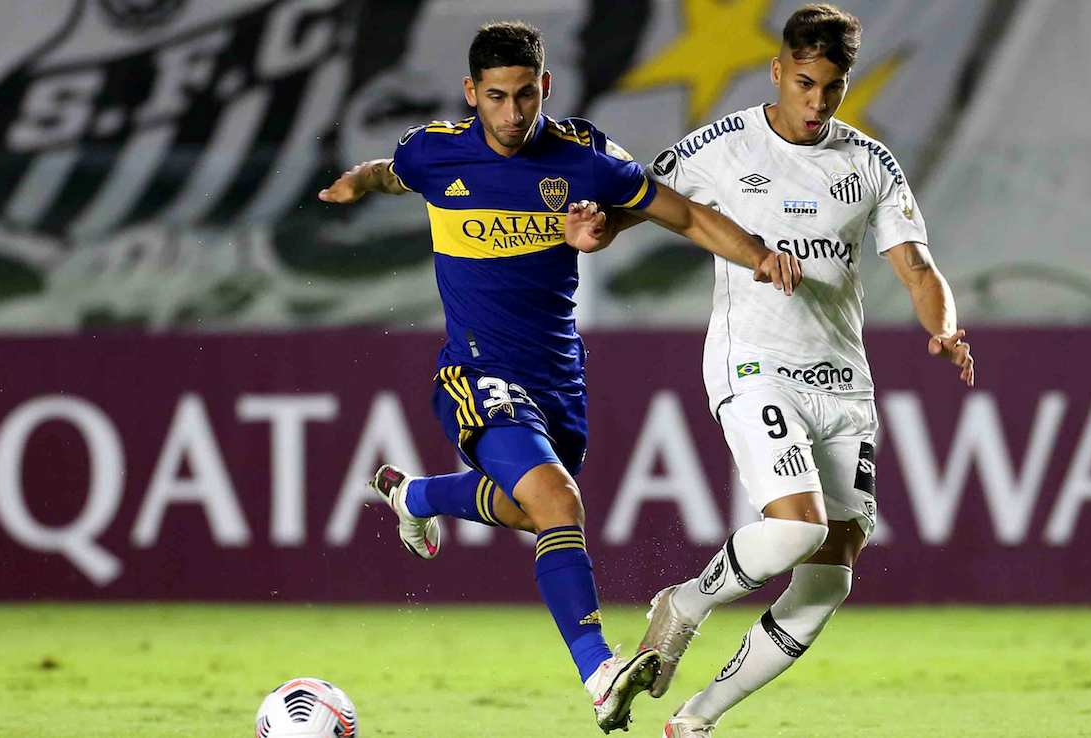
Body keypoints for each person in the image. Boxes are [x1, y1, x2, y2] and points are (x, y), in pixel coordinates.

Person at [317, 20, 801, 734]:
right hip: (476, 371)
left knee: (529, 510)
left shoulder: (586, 160)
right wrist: (358, 181)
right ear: (471, 94)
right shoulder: (436, 152)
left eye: (524, 96)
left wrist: (756, 254)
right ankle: (601, 673)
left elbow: (688, 213)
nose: (512, 114)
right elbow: (396, 172)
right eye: (496, 98)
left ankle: (412, 495)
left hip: (558, 382)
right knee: (557, 500)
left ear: (545, 85)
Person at [561, 4, 976, 735]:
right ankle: (683, 604)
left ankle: (693, 720)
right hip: (754, 365)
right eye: (806, 83)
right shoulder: (723, 144)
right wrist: (596, 228)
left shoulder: (869, 162)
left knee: (828, 578)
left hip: (843, 382)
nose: (817, 103)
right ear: (778, 71)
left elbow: (916, 266)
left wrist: (943, 327)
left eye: (833, 88)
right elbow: (646, 203)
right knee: (795, 530)